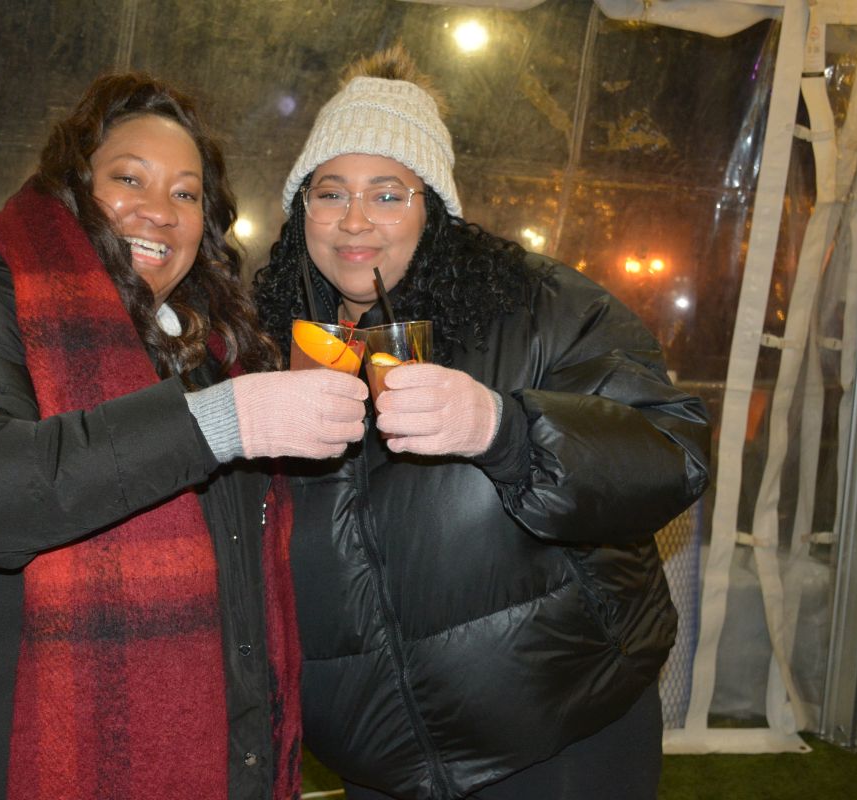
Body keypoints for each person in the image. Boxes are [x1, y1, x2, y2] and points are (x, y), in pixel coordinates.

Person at [0, 72, 370, 800]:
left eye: (186, 193)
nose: (160, 211)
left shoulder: (211, 344)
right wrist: (219, 422)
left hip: (216, 756)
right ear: (74, 188)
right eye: (129, 179)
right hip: (19, 752)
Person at [253, 46, 711, 800]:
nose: (354, 220)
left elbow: (671, 450)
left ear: (434, 208)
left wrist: (506, 430)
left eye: (388, 194)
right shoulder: (268, 339)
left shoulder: (535, 305)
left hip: (561, 738)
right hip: (381, 764)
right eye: (330, 193)